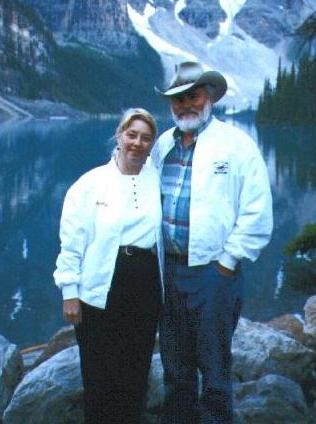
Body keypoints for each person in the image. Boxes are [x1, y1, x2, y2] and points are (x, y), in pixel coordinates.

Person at [152, 61, 273, 424]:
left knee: (215, 363)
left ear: (209, 98)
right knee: (174, 361)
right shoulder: (162, 145)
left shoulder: (236, 144)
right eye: (178, 99)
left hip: (213, 272)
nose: (185, 105)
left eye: (193, 96)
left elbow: (257, 211)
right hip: (168, 270)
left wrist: (227, 262)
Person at [53, 108, 164, 424]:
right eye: (132, 135)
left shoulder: (154, 177)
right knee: (99, 373)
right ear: (119, 135)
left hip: (144, 284)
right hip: (100, 285)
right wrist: (70, 292)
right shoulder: (90, 184)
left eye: (145, 138)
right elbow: (71, 242)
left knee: (136, 369)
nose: (137, 143)